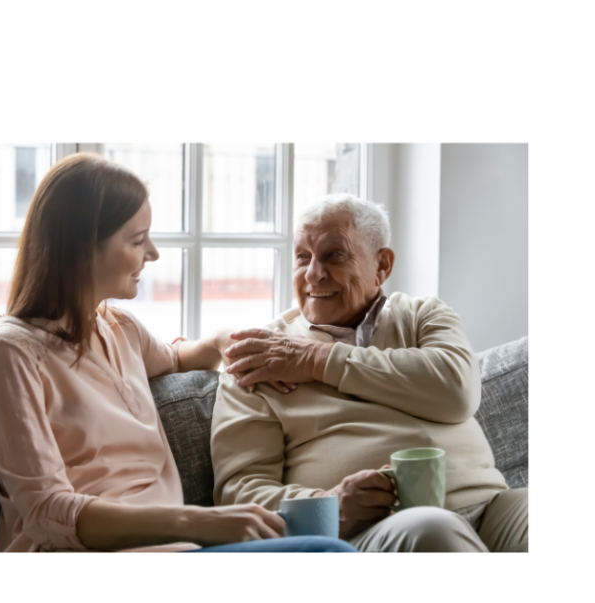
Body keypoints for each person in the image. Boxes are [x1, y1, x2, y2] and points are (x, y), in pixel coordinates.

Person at [0, 153, 357, 554]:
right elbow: (46, 512)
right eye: (137, 240)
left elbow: (179, 358)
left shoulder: (120, 330)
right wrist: (200, 521)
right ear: (82, 246)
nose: (152, 253)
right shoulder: (8, 355)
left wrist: (226, 341)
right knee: (327, 552)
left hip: (179, 550)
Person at [211, 192, 528, 552]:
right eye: (302, 257)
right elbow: (239, 492)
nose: (313, 274)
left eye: (334, 255)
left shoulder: (423, 315)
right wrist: (328, 504)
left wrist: (318, 360)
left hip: (491, 507)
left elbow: (456, 392)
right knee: (432, 528)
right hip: (379, 527)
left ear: (382, 266)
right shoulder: (260, 358)